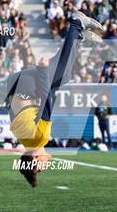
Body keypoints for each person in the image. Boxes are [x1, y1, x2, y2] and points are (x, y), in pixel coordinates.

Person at [6, 11, 104, 187]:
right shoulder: (24, 139)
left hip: (26, 85)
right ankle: (78, 35)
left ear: (35, 159)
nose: (46, 166)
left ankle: (76, 24)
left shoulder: (40, 138)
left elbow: (46, 99)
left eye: (41, 168)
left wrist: (43, 71)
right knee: (63, 75)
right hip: (17, 85)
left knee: (60, 75)